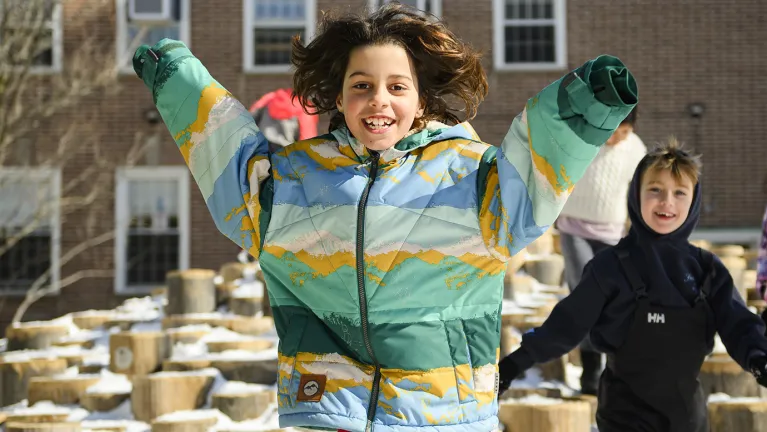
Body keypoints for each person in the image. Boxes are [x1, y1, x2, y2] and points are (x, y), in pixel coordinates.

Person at [131, 4, 637, 431]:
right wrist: (176, 78)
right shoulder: (296, 180)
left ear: (420, 102)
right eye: (362, 85)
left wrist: (586, 104)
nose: (379, 100)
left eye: (398, 86)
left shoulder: (471, 179)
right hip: (326, 405)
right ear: (338, 97)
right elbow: (230, 165)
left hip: (437, 411)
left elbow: (534, 171)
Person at [498, 138, 767, 432]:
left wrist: (759, 358)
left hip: (687, 419)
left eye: (680, 192)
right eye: (655, 190)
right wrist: (514, 365)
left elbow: (738, 323)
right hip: (623, 416)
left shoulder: (706, 269)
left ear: (694, 200)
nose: (667, 202)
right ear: (635, 194)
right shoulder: (610, 266)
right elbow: (566, 324)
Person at [555, 107, 646, 394]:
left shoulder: (635, 149)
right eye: (614, 130)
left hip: (612, 234)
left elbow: (641, 190)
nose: (618, 138)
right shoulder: (582, 140)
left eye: (625, 132)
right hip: (574, 229)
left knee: (614, 301)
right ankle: (591, 369)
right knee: (586, 297)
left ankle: (614, 367)